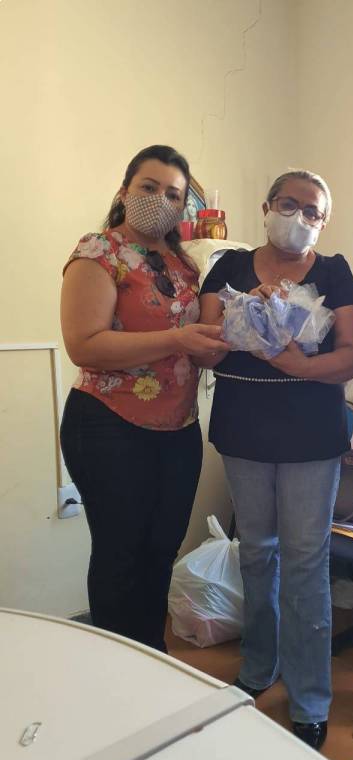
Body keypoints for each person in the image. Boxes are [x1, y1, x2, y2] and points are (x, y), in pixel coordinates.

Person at [197, 170, 353, 749]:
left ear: (324, 220)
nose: (298, 217)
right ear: (266, 206)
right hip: (243, 430)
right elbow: (207, 345)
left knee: (304, 562)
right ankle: (257, 667)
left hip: (311, 436)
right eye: (288, 204)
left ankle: (310, 694)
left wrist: (301, 363)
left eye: (312, 210)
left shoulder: (334, 273)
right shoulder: (229, 267)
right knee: (255, 553)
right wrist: (250, 313)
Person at [60, 145, 229, 652]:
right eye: (149, 188)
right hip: (109, 425)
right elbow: (84, 345)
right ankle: (115, 670)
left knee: (161, 554)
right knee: (120, 556)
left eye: (173, 194)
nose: (160, 200)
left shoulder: (184, 265)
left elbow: (201, 349)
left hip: (177, 431)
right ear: (124, 192)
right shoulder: (99, 252)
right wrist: (178, 338)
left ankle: (151, 660)